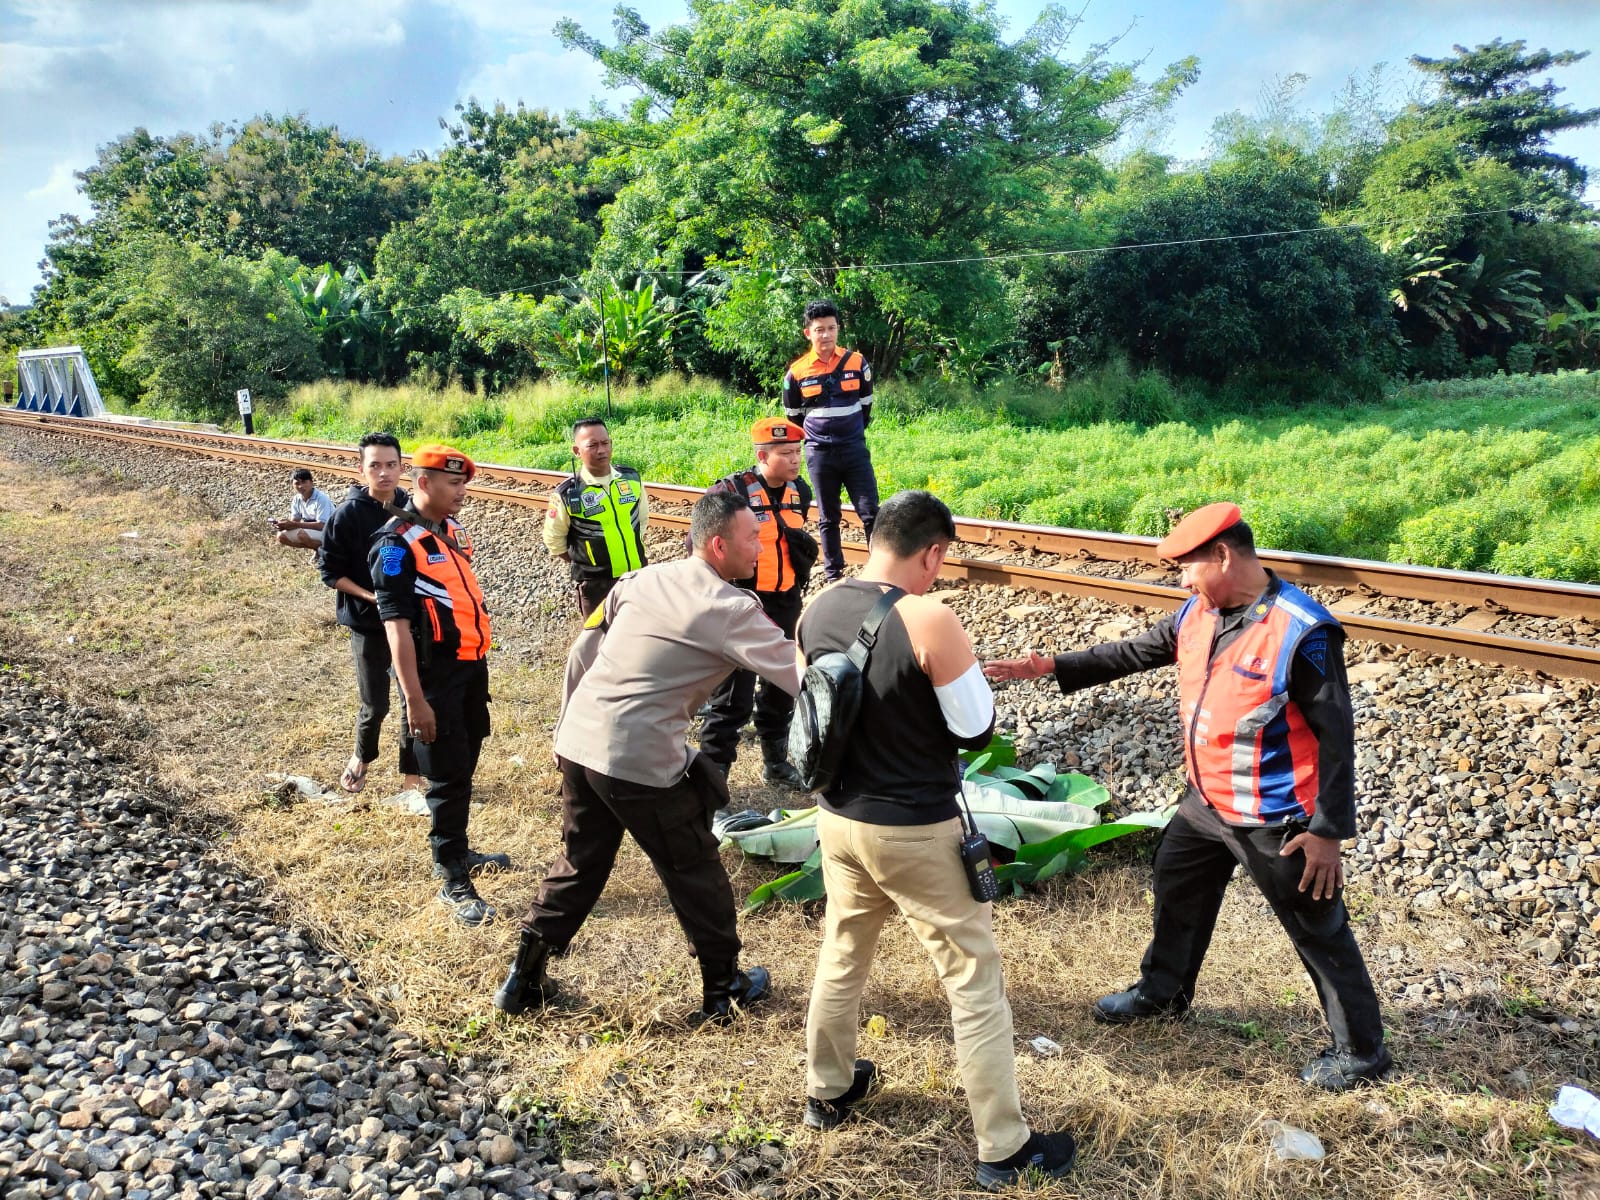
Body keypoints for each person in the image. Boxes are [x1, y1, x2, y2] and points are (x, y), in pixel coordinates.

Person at [983, 502, 1392, 1092]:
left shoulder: (1302, 631)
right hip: (1205, 801)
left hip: (1274, 815)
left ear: (1223, 555)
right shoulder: (1202, 610)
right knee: (1176, 888)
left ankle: (1361, 1051)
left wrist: (1327, 830)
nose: (1182, 580)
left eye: (1188, 567)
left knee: (1316, 928)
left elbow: (1338, 735)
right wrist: (1050, 666)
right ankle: (1163, 993)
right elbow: (1136, 651)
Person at [795, 490, 1078, 1190]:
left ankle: (827, 1089)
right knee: (973, 983)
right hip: (916, 829)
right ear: (932, 552)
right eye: (940, 563)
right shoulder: (929, 616)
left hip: (838, 822)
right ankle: (1004, 1147)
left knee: (843, 951)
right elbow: (975, 729)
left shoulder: (819, 606)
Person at [495, 491, 803, 1026]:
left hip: (581, 742)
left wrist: (565, 728)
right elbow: (802, 679)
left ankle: (522, 980)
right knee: (694, 867)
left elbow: (583, 651)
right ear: (717, 544)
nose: (762, 546)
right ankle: (723, 990)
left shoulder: (641, 580)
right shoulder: (730, 609)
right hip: (636, 758)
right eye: (753, 537)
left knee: (581, 860)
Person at [371, 444, 510, 928]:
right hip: (434, 679)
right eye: (453, 484)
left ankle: (460, 849)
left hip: (470, 668)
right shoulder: (394, 544)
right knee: (447, 776)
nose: (462, 492)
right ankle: (451, 874)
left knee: (466, 757)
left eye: (464, 483)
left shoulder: (450, 531)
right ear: (424, 483)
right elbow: (396, 627)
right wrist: (414, 700)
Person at [697, 416, 817, 788]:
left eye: (798, 451)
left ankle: (776, 764)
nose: (795, 459)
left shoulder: (801, 492)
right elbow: (700, 545)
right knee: (733, 695)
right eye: (786, 453)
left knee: (782, 686)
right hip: (743, 604)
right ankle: (712, 779)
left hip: (785, 601)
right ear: (763, 456)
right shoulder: (731, 493)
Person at [318, 432, 423, 797]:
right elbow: (329, 572)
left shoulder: (412, 509)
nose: (384, 473)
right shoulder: (346, 515)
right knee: (375, 703)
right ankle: (362, 757)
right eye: (375, 466)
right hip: (367, 622)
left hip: (409, 623)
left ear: (402, 467)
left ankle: (412, 776)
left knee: (414, 695)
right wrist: (371, 597)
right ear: (361, 469)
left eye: (391, 465)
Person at [782, 299, 878, 584]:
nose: (826, 335)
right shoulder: (797, 372)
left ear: (838, 329)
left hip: (854, 450)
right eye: (820, 329)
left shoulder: (857, 363)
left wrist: (849, 433)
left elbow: (866, 406)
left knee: (871, 512)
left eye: (831, 328)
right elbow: (794, 417)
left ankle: (879, 571)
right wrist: (820, 436)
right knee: (828, 516)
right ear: (808, 333)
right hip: (820, 453)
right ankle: (834, 574)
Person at [542, 417, 649, 618]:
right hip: (595, 586)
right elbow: (554, 540)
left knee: (641, 639)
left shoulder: (631, 479)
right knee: (599, 644)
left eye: (605, 443)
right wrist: (586, 563)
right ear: (577, 451)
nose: (601, 450)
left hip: (637, 577)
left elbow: (642, 522)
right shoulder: (567, 494)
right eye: (592, 445)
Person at [272, 468, 333, 549]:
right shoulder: (297, 499)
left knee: (302, 534)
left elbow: (321, 525)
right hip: (314, 530)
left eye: (304, 482)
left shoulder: (321, 498)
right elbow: (295, 521)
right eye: (297, 483)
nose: (301, 486)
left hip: (330, 532)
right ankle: (317, 549)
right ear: (292, 485)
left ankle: (325, 552)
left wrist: (295, 524)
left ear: (311, 483)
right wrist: (283, 525)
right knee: (281, 536)